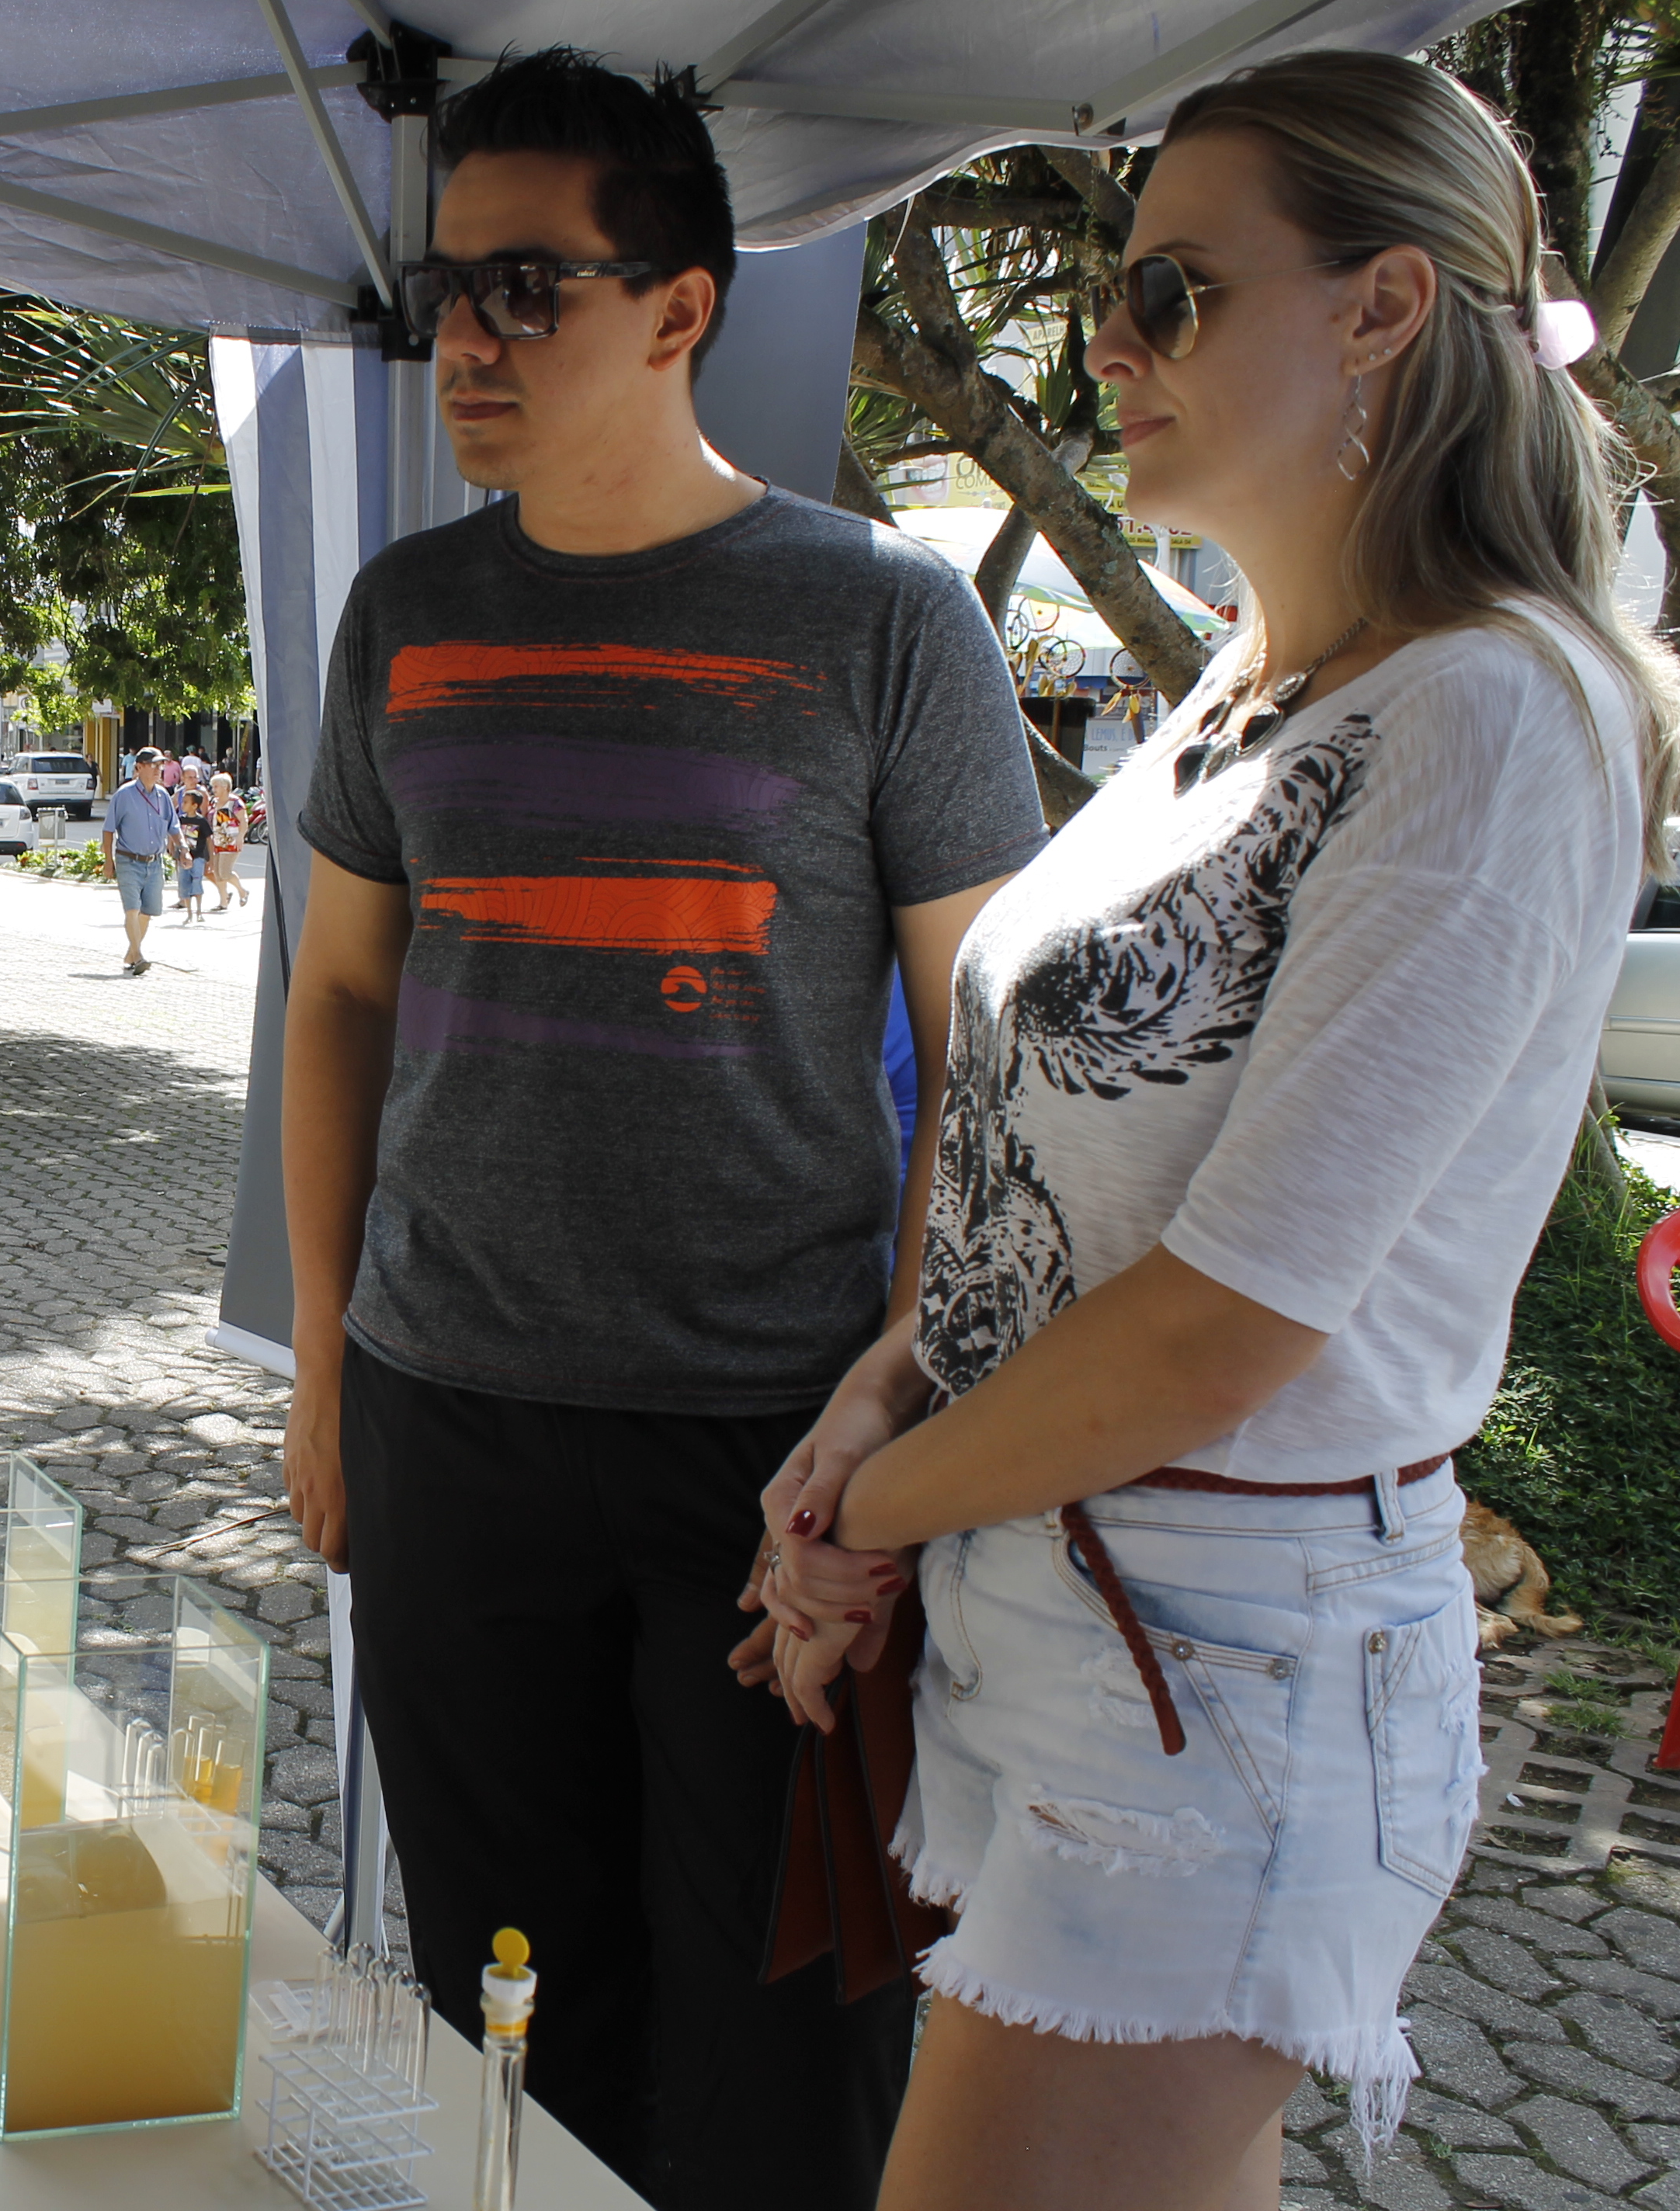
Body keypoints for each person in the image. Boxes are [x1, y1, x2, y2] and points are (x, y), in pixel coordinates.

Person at [755, 51, 1674, 2211]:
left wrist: (862, 1509)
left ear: (1383, 308)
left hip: (1220, 1661)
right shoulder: (1258, 686)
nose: (1104, 340)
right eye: (1110, 281)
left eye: (1173, 288)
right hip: (1082, 1608)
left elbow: (1226, 1323)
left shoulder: (1485, 712)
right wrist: (878, 1400)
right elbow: (1025, 1135)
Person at [277, 49, 1047, 2210]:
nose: (469, 339)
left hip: (766, 1457)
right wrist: (328, 1360)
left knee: (780, 2052)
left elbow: (986, 1079)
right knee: (504, 2021)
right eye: (451, 287)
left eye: (531, 286)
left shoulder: (886, 621)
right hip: (449, 1419)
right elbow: (338, 995)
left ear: (683, 305)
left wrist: (893, 1428)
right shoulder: (410, 612)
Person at [101, 747, 186, 976]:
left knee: (147, 912)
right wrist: (109, 861)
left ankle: (132, 951)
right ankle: (138, 956)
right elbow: (109, 830)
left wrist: (183, 848)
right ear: (138, 768)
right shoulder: (124, 795)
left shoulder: (163, 796)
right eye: (154, 765)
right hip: (129, 860)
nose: (159, 770)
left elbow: (173, 826)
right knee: (132, 909)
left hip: (154, 862)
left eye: (161, 765)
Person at [206, 770, 249, 911]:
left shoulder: (234, 802)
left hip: (231, 841)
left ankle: (242, 891)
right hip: (218, 841)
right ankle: (223, 902)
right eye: (213, 787)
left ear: (225, 786)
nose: (214, 790)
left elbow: (244, 820)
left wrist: (240, 837)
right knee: (217, 874)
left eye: (216, 786)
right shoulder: (215, 802)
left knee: (225, 872)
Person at [175, 765, 213, 920]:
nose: (182, 805)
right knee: (184, 883)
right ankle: (189, 912)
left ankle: (199, 911)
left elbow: (209, 839)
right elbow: (175, 835)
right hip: (183, 857)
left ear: (195, 805)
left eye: (185, 803)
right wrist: (172, 849)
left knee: (197, 881)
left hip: (198, 856)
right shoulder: (180, 819)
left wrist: (210, 858)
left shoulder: (201, 821)